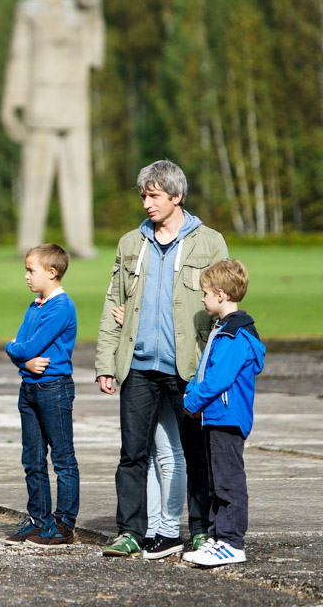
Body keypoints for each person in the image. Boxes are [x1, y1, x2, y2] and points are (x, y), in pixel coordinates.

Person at [94, 160, 228, 557]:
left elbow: (226, 303)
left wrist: (216, 368)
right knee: (132, 455)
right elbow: (112, 304)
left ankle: (202, 530)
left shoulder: (210, 242)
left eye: (153, 196)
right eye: (143, 196)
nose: (146, 204)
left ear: (176, 196)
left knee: (196, 453)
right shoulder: (129, 244)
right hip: (137, 367)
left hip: (188, 368)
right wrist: (105, 362)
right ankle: (130, 532)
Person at [1, 0, 105, 260]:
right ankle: (28, 243)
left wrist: (95, 12)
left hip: (73, 102)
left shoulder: (79, 11)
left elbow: (95, 57)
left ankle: (81, 241)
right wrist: (10, 106)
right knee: (35, 181)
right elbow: (18, 56)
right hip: (41, 101)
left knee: (78, 178)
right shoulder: (29, 9)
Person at [182, 259, 265, 567]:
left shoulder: (233, 335)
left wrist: (191, 402)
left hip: (227, 417)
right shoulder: (223, 329)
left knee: (228, 481)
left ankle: (232, 542)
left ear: (219, 294)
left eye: (204, 293)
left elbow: (218, 379)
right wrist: (192, 392)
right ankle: (219, 538)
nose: (202, 299)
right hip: (216, 415)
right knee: (218, 482)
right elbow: (206, 372)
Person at [2, 243, 79, 547]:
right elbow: (23, 348)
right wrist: (22, 359)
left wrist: (14, 351)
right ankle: (39, 519)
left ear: (52, 272)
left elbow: (24, 346)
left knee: (62, 459)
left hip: (53, 389)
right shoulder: (35, 305)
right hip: (30, 387)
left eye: (31, 270)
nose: (26, 276)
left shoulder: (61, 307)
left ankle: (64, 523)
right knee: (32, 459)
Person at [112, 302, 187, 560]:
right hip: (142, 367)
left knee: (171, 451)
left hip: (176, 364)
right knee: (147, 454)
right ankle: (153, 529)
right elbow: (113, 307)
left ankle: (169, 530)